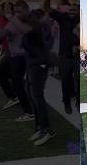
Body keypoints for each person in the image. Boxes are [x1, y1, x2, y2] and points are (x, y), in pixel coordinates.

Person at [0, 0, 34, 122]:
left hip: (22, 57)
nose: (17, 14)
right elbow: (1, 34)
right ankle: (13, 96)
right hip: (13, 56)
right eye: (15, 11)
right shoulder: (14, 21)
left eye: (20, 11)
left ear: (27, 10)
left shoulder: (31, 20)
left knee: (18, 84)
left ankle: (29, 112)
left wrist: (11, 18)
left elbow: (27, 30)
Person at [22, 9, 56, 146]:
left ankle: (47, 130)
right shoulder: (36, 30)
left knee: (37, 97)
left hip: (38, 66)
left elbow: (45, 48)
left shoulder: (42, 29)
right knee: (33, 96)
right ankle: (40, 127)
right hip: (32, 65)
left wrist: (42, 63)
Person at [44, 0, 78, 114]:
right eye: (71, 10)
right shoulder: (63, 17)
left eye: (75, 10)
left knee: (78, 80)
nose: (72, 12)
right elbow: (47, 9)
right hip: (64, 55)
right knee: (65, 80)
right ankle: (67, 102)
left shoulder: (81, 19)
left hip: (77, 56)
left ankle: (78, 102)